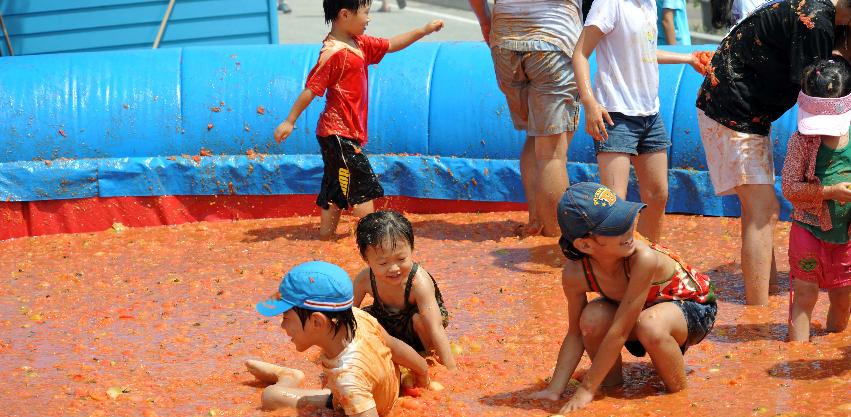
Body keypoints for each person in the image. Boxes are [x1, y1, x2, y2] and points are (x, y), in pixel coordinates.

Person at [695, 0, 851, 305]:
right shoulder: (816, 22)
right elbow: (817, 95)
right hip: (732, 108)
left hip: (750, 111)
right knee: (763, 210)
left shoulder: (830, 20)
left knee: (760, 209)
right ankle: (757, 312)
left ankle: (768, 293)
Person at [528, 182, 717, 412]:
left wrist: (586, 389)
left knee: (650, 325)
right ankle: (611, 387)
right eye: (615, 226)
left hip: (693, 307)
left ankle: (678, 399)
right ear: (585, 244)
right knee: (591, 319)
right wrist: (554, 390)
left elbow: (621, 330)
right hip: (638, 312)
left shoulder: (642, 258)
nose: (628, 229)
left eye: (626, 218)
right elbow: (575, 334)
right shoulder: (575, 274)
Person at [274, 1, 444, 239]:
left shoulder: (359, 44)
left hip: (340, 134)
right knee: (363, 188)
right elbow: (311, 88)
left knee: (335, 188)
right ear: (345, 14)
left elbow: (392, 44)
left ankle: (326, 239)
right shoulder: (334, 53)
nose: (368, 18)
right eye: (365, 13)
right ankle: (371, 242)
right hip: (338, 133)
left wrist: (423, 30)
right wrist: (290, 121)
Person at [247, 261, 430, 417]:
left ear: (317, 322)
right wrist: (422, 372)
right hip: (388, 390)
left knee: (271, 396)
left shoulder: (348, 380)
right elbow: (394, 346)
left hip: (361, 402)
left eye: (286, 318)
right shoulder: (359, 317)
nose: (283, 326)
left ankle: (290, 377)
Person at [573, 0, 702, 243]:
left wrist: (687, 59)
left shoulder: (649, 4)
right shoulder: (610, 4)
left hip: (650, 115)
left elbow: (645, 51)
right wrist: (589, 103)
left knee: (658, 194)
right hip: (615, 115)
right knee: (614, 201)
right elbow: (580, 53)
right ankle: (608, 265)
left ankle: (647, 257)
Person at [468, 0, 583, 238]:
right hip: (554, 38)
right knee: (552, 152)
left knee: (536, 136)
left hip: (505, 42)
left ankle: (536, 221)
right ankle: (556, 238)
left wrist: (485, 20)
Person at [781, 58, 851, 341]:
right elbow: (788, 187)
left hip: (845, 236)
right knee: (805, 295)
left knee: (843, 297)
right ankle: (796, 354)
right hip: (808, 229)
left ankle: (831, 343)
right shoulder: (801, 141)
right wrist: (828, 193)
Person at [353, 210, 457, 370]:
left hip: (419, 332)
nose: (394, 268)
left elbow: (435, 326)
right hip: (388, 326)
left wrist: (451, 369)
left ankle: (430, 356)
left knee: (420, 319)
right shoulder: (364, 279)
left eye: (401, 259)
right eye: (382, 263)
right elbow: (345, 316)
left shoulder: (418, 281)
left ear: (411, 249)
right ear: (366, 259)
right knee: (362, 318)